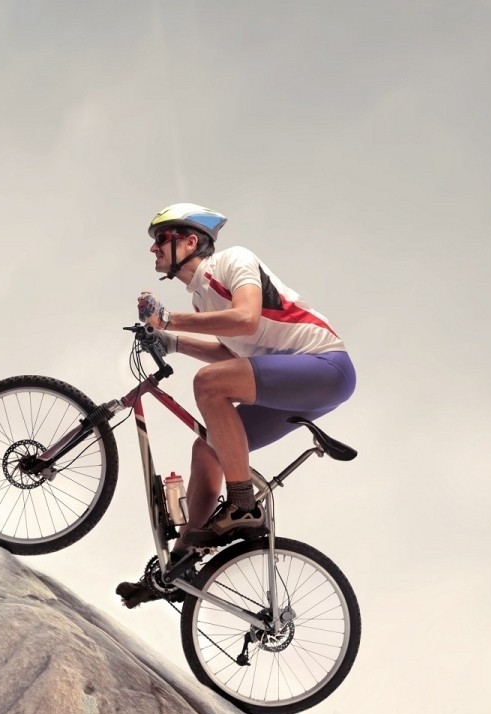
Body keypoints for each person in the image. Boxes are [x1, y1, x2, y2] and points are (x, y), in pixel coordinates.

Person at [117, 203, 356, 607]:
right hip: (289, 385)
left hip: (325, 367)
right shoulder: (201, 301)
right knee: (207, 450)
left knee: (208, 386)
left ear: (190, 241)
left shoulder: (233, 260)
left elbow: (245, 318)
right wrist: (171, 342)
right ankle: (178, 565)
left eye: (160, 239)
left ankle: (243, 504)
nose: (153, 249)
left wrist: (169, 321)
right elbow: (232, 357)